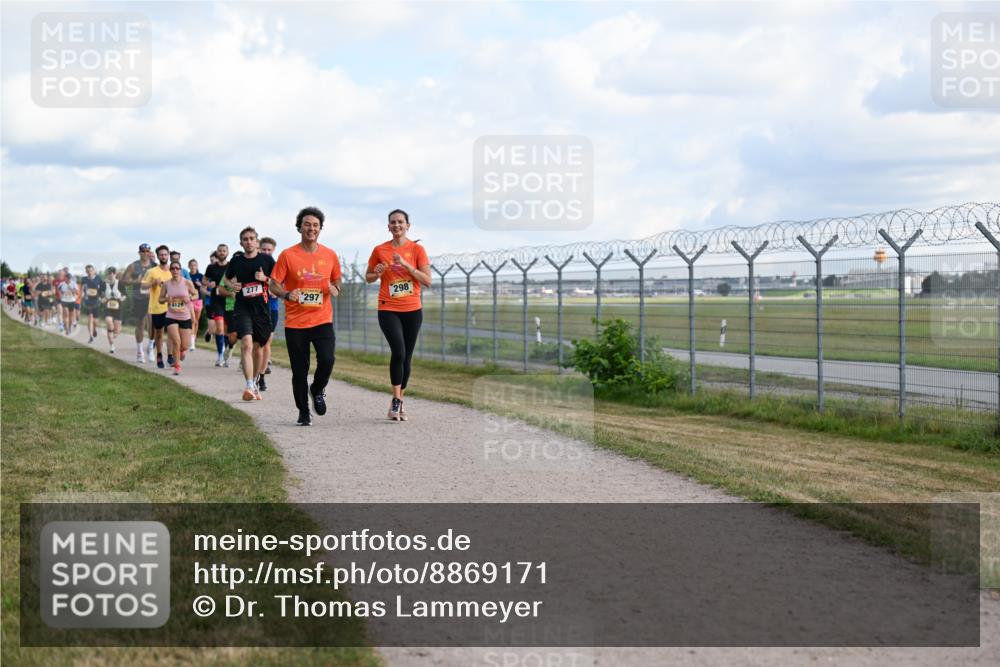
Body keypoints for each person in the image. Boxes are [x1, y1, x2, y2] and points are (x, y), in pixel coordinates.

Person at [269, 206, 342, 426]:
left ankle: (317, 389)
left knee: (327, 359)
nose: (311, 228)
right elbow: (274, 285)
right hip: (296, 322)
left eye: (315, 225)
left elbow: (337, 282)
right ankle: (303, 411)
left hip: (322, 319)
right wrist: (288, 294)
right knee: (299, 370)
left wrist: (335, 289)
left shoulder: (329, 254)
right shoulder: (288, 255)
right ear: (299, 227)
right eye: (307, 224)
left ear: (320, 229)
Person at [366, 208, 431, 421]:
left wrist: (406, 265)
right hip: (388, 308)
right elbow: (368, 277)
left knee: (407, 357)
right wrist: (377, 273)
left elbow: (427, 280)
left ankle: (400, 400)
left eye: (400, 222)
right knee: (399, 352)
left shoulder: (417, 250)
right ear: (388, 226)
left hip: (413, 309)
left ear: (408, 226)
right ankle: (395, 399)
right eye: (393, 222)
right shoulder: (379, 250)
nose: (397, 225)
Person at [224, 227, 275, 401]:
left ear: (257, 241)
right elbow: (226, 279)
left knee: (259, 349)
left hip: (262, 310)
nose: (248, 241)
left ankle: (256, 380)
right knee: (246, 344)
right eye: (245, 239)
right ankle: (248, 385)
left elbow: (277, 281)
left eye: (251, 238)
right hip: (242, 308)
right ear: (241, 243)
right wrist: (232, 286)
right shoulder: (237, 261)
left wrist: (265, 279)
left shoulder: (267, 260)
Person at [159, 260, 198, 374]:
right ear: (170, 270)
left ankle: (182, 351)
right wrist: (166, 299)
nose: (175, 270)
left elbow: (196, 294)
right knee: (176, 341)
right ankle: (177, 366)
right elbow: (160, 299)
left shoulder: (187, 282)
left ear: (180, 270)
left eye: (177, 268)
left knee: (185, 345)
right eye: (173, 268)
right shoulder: (166, 284)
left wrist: (190, 298)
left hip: (185, 316)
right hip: (171, 316)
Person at [141, 245, 172, 369]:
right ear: (158, 256)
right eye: (161, 255)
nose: (163, 256)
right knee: (159, 333)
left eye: (165, 254)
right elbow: (143, 286)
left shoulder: (173, 271)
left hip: (172, 308)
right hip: (157, 307)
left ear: (168, 255)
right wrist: (153, 283)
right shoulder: (152, 271)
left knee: (171, 332)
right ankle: (159, 354)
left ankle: (170, 355)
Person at [122, 243, 154, 362]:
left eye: (147, 251)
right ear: (139, 252)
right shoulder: (133, 266)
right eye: (143, 251)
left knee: (152, 322)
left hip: (152, 298)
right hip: (138, 298)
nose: (145, 253)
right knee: (140, 323)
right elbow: (124, 281)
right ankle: (140, 351)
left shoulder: (155, 265)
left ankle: (151, 346)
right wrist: (136, 281)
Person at [257, 236, 281, 391]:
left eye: (269, 250)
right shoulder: (254, 264)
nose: (266, 252)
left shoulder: (278, 266)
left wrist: (274, 288)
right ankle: (253, 375)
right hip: (256, 308)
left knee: (266, 343)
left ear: (273, 251)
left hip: (271, 309)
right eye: (264, 249)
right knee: (255, 344)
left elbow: (282, 286)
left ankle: (262, 376)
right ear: (259, 248)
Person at [204, 245, 230, 366]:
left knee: (228, 331)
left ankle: (225, 354)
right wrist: (209, 284)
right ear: (217, 253)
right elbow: (204, 280)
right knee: (219, 327)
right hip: (216, 300)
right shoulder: (211, 267)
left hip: (230, 301)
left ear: (227, 253)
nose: (222, 253)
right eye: (220, 251)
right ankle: (220, 356)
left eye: (224, 251)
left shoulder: (231, 266)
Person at [102, 267, 126, 353]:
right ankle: (112, 346)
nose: (111, 274)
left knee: (116, 331)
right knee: (109, 324)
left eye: (112, 273)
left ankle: (116, 331)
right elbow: (98, 293)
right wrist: (102, 299)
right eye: (109, 273)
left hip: (118, 308)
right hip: (108, 307)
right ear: (107, 274)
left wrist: (122, 298)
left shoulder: (120, 283)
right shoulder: (104, 283)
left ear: (115, 274)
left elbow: (125, 294)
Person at [80, 264, 105, 343]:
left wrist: (102, 297)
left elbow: (103, 289)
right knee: (90, 317)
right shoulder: (84, 279)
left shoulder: (98, 278)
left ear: (94, 271)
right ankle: (91, 336)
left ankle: (94, 329)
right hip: (88, 301)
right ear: (86, 272)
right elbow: (82, 289)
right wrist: (82, 295)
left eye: (91, 271)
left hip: (96, 301)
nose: (89, 272)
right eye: (88, 271)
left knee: (95, 321)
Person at [188, 258, 204, 350]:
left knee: (196, 321)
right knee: (192, 321)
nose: (193, 266)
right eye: (191, 265)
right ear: (189, 266)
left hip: (199, 300)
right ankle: (191, 342)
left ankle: (193, 339)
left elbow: (204, 288)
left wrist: (200, 284)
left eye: (195, 265)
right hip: (190, 300)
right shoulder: (187, 276)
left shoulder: (200, 276)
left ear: (197, 266)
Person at [57, 271, 79, 335]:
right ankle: (66, 329)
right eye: (67, 278)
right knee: (66, 314)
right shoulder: (61, 284)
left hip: (72, 301)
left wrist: (71, 288)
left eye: (70, 278)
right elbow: (58, 290)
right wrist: (60, 295)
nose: (69, 279)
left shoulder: (73, 284)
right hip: (64, 301)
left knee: (70, 317)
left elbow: (76, 292)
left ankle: (69, 328)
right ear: (65, 278)